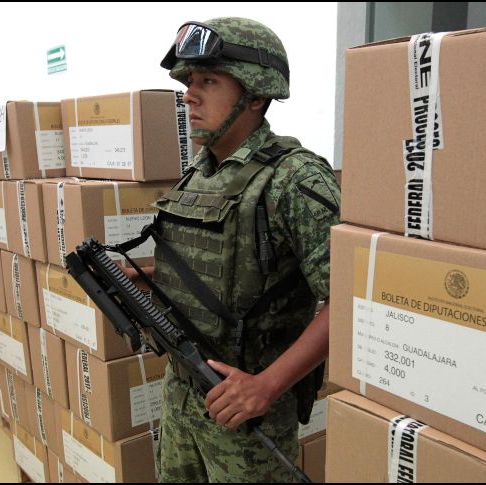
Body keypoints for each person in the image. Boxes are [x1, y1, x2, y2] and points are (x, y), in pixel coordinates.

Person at [152, 17, 341, 482]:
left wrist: (265, 386)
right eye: (189, 82)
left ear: (256, 95)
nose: (189, 95)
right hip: (181, 398)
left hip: (247, 415)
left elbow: (351, 300)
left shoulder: (295, 179)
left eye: (209, 81)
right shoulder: (198, 175)